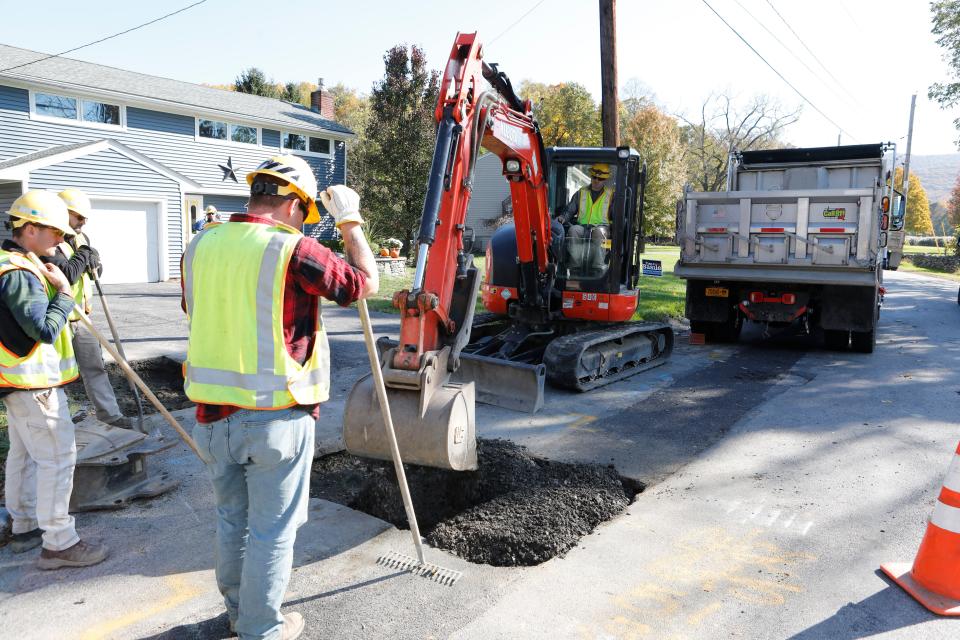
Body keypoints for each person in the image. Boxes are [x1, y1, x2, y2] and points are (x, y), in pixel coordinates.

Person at [182, 154, 378, 640]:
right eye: (307, 212)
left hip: (210, 416)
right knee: (272, 532)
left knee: (233, 520)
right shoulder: (293, 248)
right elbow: (364, 285)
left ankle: (238, 613)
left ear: (256, 194)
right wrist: (350, 221)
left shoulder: (199, 244)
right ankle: (262, 629)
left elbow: (194, 306)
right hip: (274, 418)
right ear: (295, 204)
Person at [0, 190, 109, 569]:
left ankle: (26, 524)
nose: (62, 240)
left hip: (20, 383)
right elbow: (43, 329)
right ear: (29, 228)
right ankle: (59, 543)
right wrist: (64, 292)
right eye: (55, 232)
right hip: (33, 383)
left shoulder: (14, 262)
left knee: (25, 454)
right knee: (58, 459)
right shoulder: (18, 273)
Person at [43, 189, 134, 428]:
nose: (83, 222)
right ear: (62, 213)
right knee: (53, 377)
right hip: (58, 318)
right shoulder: (48, 241)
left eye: (85, 218)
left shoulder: (82, 239)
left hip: (83, 318)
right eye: (78, 217)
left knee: (95, 368)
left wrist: (94, 262)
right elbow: (69, 273)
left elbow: (90, 272)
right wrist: (85, 255)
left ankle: (111, 416)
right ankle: (55, 425)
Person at [556, 163, 614, 273]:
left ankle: (597, 267)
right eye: (594, 177)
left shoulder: (611, 195)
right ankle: (575, 266)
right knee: (573, 230)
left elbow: (616, 214)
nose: (596, 180)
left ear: (605, 179)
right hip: (582, 226)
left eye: (600, 178)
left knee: (598, 232)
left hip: (602, 227)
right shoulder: (581, 192)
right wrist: (563, 217)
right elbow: (570, 209)